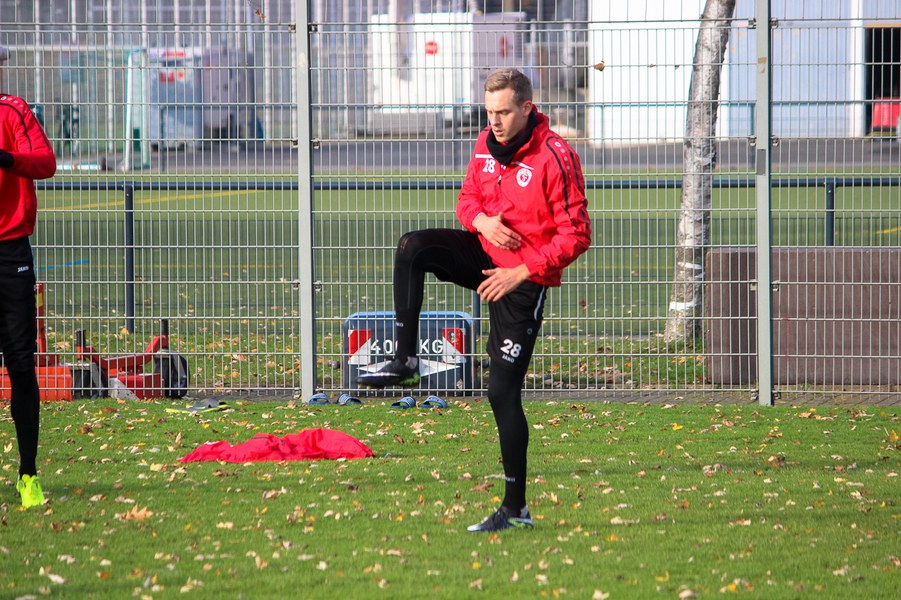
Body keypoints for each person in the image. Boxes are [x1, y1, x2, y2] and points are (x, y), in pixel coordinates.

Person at [358, 69, 591, 532]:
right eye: (489, 113)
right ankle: (405, 359)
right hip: (484, 256)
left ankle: (515, 509)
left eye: (503, 112)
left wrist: (521, 271)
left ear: (527, 108)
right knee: (413, 247)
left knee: (501, 393)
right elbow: (466, 201)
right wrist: (482, 222)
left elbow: (577, 235)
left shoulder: (555, 155)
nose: (495, 122)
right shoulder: (485, 143)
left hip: (522, 280)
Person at [0, 89, 58, 509]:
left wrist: (6, 159)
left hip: (11, 253)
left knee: (21, 365)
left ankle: (28, 474)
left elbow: (46, 163)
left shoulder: (13, 110)